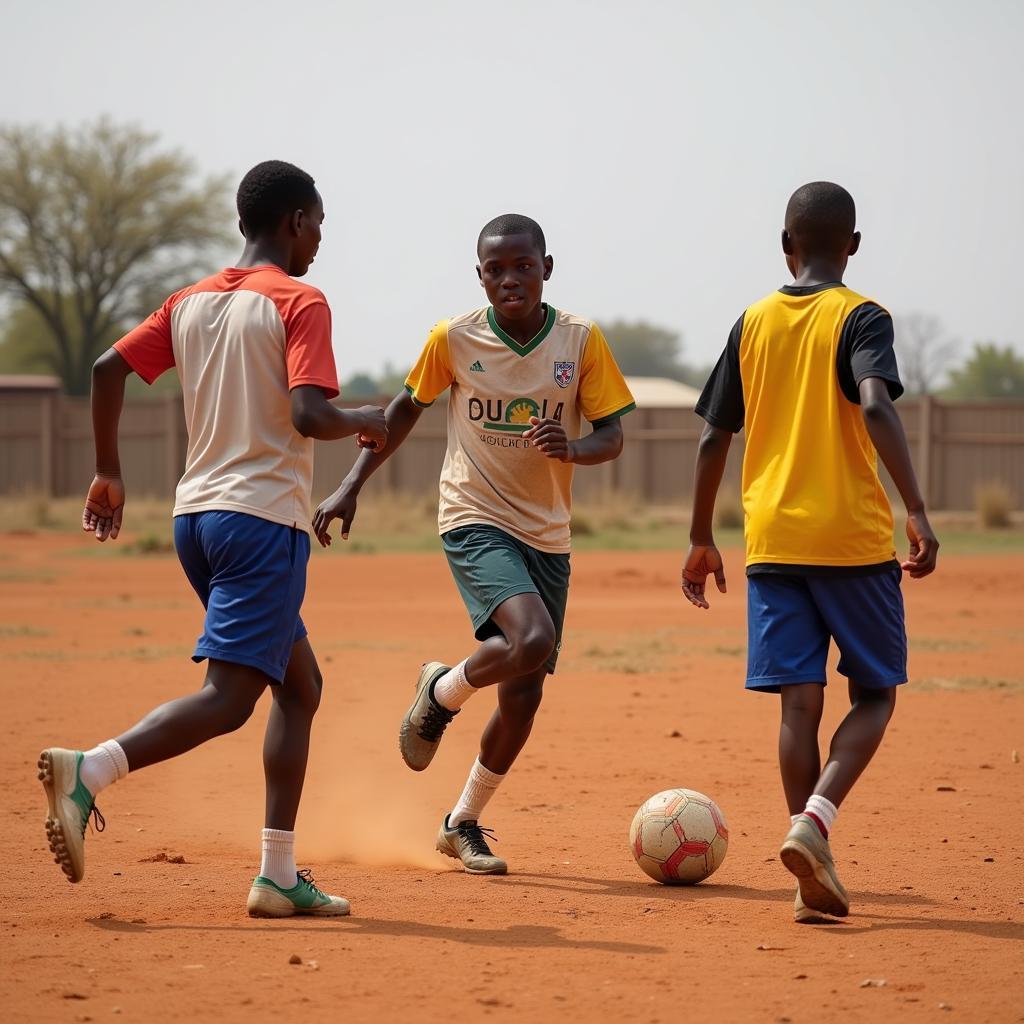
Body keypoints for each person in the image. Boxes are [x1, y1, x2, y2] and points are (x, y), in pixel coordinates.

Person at [38, 160, 387, 918]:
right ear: (295, 220)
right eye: (319, 224)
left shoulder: (191, 301)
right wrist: (367, 418)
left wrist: (108, 471)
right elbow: (307, 416)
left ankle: (277, 875)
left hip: (196, 519)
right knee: (230, 701)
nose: (321, 240)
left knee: (300, 687)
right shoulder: (301, 301)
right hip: (263, 522)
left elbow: (107, 369)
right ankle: (89, 771)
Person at [313, 214, 635, 874]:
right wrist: (350, 484)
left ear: (548, 267)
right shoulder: (454, 339)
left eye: (523, 265)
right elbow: (402, 413)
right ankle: (441, 696)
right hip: (474, 515)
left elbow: (613, 435)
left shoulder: (580, 340)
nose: (510, 278)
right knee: (532, 641)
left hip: (546, 531)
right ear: (480, 276)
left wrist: (572, 448)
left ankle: (460, 822)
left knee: (524, 696)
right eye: (496, 269)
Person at [681, 181, 938, 923]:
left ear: (785, 245)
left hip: (771, 541)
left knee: (799, 703)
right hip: (851, 540)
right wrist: (916, 509)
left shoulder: (753, 320)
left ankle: (807, 873)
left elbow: (710, 436)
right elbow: (878, 403)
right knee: (875, 694)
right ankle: (815, 824)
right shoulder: (862, 315)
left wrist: (702, 536)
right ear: (852, 245)